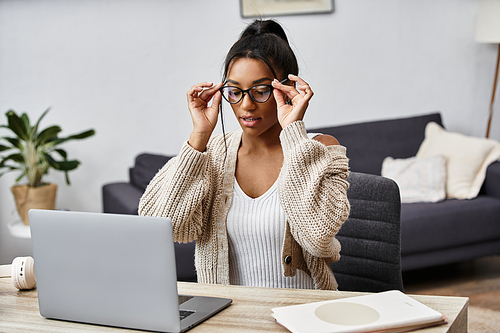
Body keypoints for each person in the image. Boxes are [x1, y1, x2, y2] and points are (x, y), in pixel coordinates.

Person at [139, 19, 350, 290]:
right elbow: (167, 228)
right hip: (229, 316)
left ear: (288, 90)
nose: (246, 105)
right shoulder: (213, 153)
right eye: (235, 92)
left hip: (305, 314)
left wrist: (294, 133)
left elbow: (318, 237)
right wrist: (199, 136)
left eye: (261, 91)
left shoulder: (319, 149)